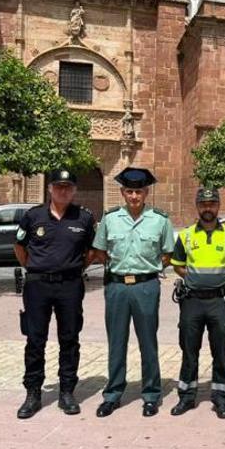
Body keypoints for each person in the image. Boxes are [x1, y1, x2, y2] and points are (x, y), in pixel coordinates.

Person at [92, 167, 174, 418]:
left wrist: (148, 270)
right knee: (116, 342)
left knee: (148, 342)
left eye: (138, 191)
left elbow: (168, 254)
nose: (134, 196)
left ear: (146, 192)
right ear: (122, 192)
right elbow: (100, 250)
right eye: (129, 191)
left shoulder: (160, 219)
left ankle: (151, 394)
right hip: (117, 287)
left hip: (146, 287)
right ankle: (113, 394)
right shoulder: (111, 218)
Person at [14, 169, 96, 419]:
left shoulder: (84, 217)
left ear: (74, 190)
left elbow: (91, 250)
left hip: (70, 286)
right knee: (35, 339)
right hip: (37, 285)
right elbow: (19, 246)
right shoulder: (33, 215)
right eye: (59, 186)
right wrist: (33, 268)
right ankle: (33, 393)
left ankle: (67, 392)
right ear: (50, 188)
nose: (63, 191)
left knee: (69, 338)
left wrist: (75, 269)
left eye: (68, 187)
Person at [169, 188, 225, 419]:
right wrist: (193, 279)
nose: (208, 208)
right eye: (203, 204)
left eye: (212, 204)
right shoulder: (186, 235)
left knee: (221, 350)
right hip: (192, 301)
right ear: (197, 206)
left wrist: (223, 280)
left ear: (218, 206)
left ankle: (221, 399)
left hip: (219, 300)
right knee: (189, 350)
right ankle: (186, 397)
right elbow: (177, 264)